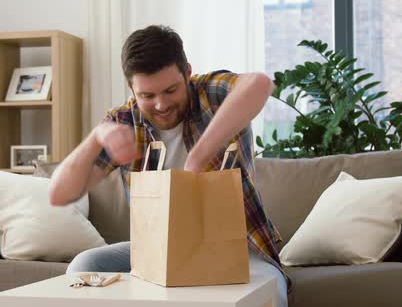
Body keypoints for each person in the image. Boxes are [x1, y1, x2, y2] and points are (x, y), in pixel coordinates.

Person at [48, 25, 288, 307]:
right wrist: (97, 136)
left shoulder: (211, 94)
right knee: (85, 264)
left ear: (187, 72)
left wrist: (197, 158)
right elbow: (59, 194)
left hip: (239, 248)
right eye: (147, 96)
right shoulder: (125, 122)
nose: (161, 105)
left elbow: (259, 84)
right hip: (157, 254)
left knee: (270, 294)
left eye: (171, 90)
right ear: (131, 88)